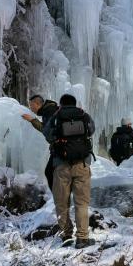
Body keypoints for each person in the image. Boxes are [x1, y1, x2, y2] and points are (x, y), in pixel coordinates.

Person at [43, 94, 95, 249]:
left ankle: (66, 235)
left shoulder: (56, 116)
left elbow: (47, 134)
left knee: (62, 202)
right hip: (82, 164)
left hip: (61, 165)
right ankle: (82, 238)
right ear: (75, 103)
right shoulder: (83, 115)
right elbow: (91, 130)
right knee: (81, 203)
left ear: (61, 104)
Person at [22, 95, 59, 190]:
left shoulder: (49, 111)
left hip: (61, 147)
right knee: (51, 172)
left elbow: (46, 130)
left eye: (31, 105)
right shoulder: (50, 110)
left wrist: (32, 120)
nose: (31, 108)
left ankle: (58, 197)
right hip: (60, 147)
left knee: (51, 172)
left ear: (38, 104)